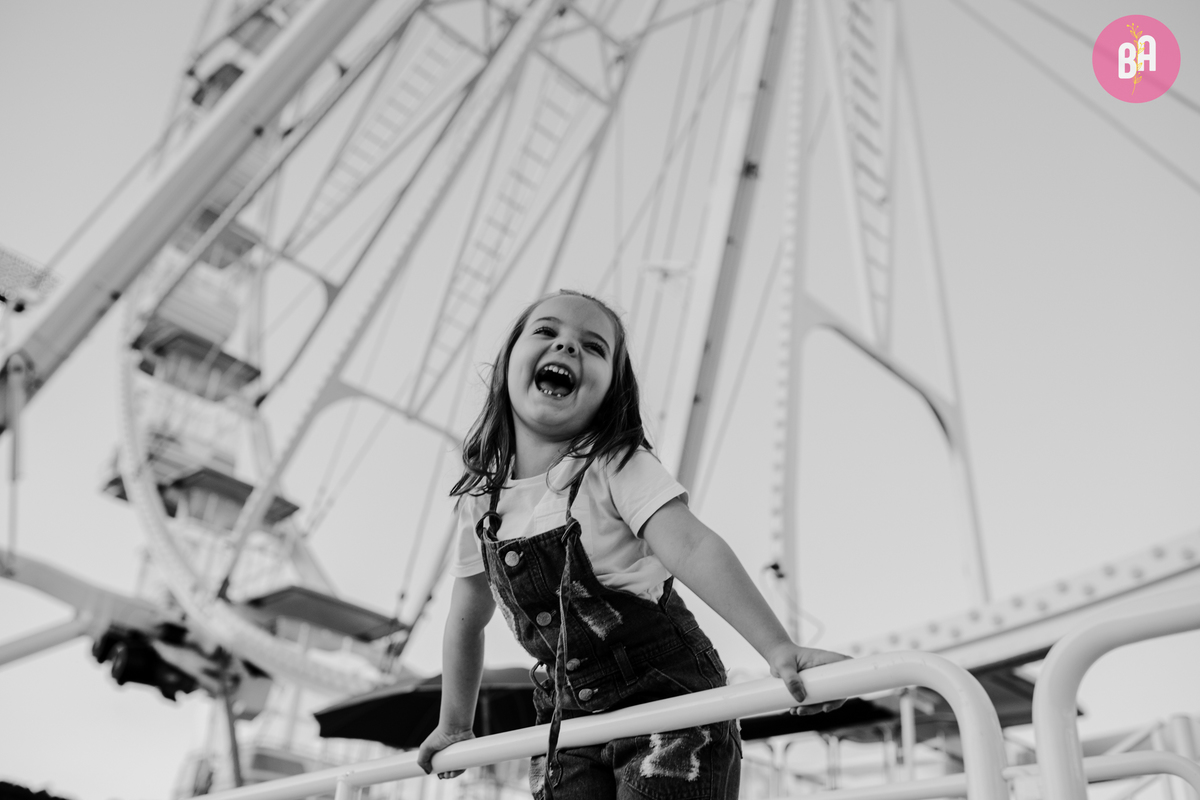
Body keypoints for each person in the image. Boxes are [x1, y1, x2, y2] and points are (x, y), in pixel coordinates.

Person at [416, 290, 847, 799]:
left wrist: (780, 648)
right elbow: (466, 619)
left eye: (592, 346)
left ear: (610, 392)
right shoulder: (482, 503)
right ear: (509, 359)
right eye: (547, 332)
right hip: (567, 721)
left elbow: (691, 547)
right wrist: (454, 724)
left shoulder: (613, 463)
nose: (568, 347)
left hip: (670, 701)